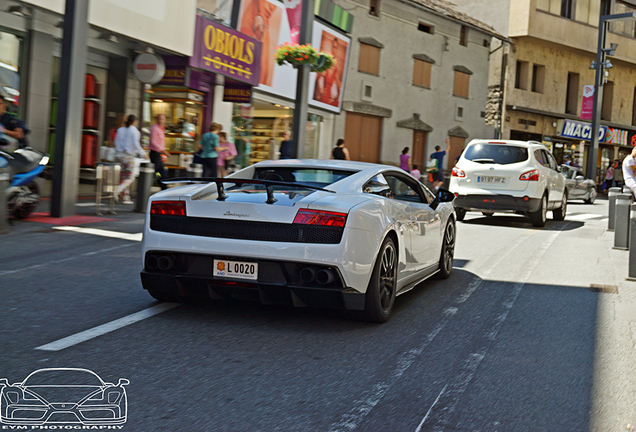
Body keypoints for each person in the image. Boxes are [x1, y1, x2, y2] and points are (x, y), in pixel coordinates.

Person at [114, 114, 147, 204]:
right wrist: (143, 153)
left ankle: (125, 196)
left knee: (124, 176)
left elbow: (115, 142)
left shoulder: (120, 130)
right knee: (130, 177)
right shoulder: (134, 131)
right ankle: (117, 189)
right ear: (134, 122)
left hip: (118, 156)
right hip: (128, 156)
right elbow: (136, 144)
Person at [148, 114, 170, 190]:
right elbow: (154, 142)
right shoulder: (155, 129)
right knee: (158, 172)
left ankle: (163, 187)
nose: (161, 121)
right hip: (155, 153)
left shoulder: (161, 129)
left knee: (160, 172)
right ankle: (162, 187)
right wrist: (164, 150)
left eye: (162, 119)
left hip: (159, 153)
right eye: (159, 119)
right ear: (157, 119)